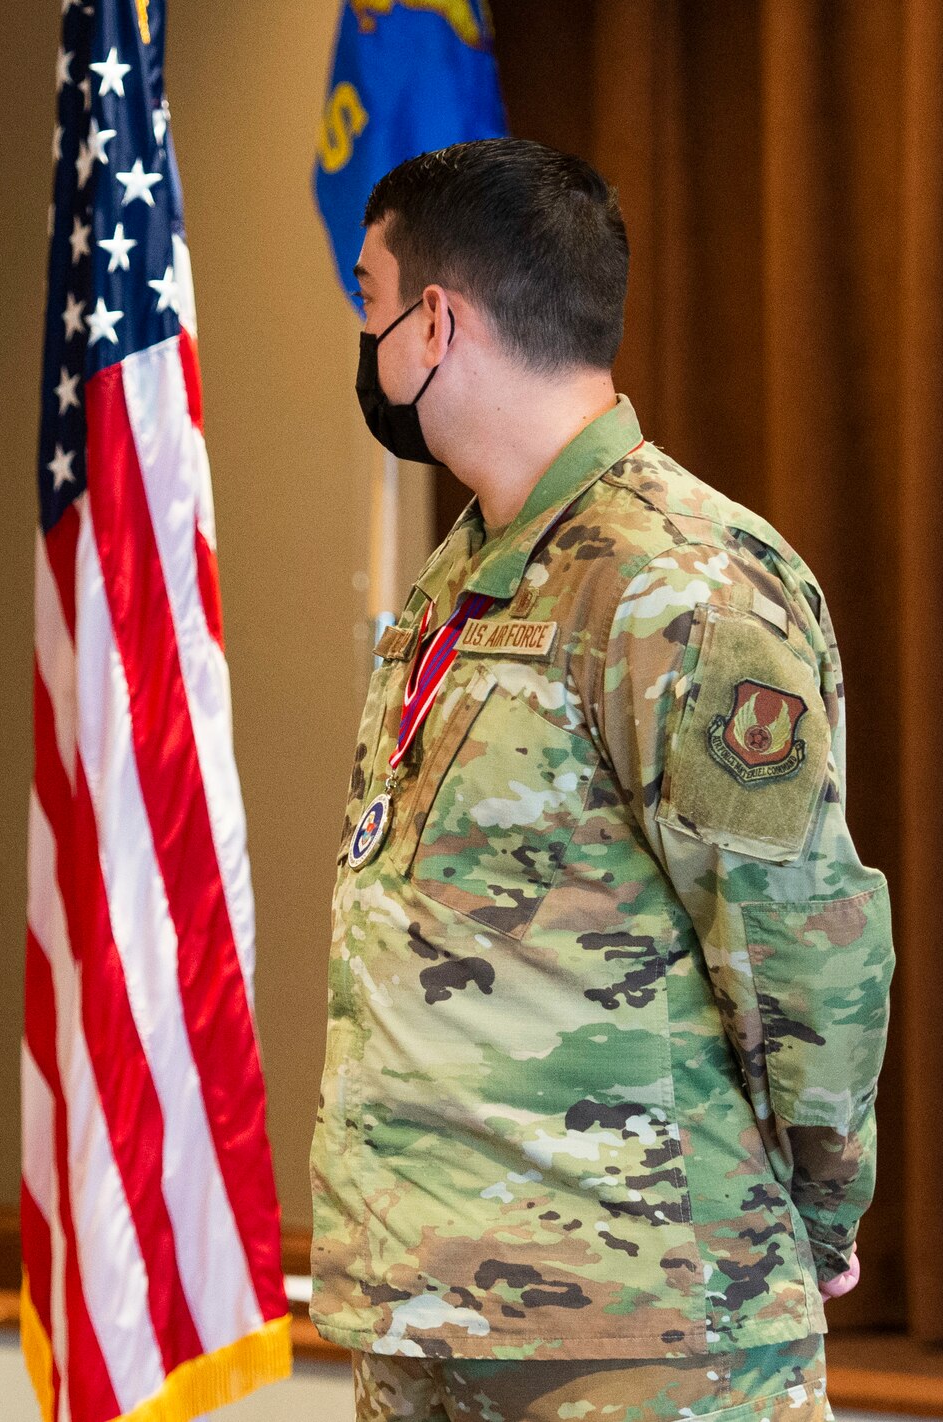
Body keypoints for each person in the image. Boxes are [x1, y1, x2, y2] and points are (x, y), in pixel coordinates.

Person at [315, 137, 892, 1422]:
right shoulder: (470, 567)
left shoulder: (678, 581)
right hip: (434, 1303)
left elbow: (798, 936)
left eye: (366, 301)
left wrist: (818, 1197)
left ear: (434, 323)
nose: (363, 339)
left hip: (641, 1328)